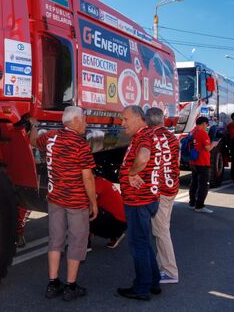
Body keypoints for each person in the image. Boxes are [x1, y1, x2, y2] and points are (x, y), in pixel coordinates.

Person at [29, 106, 98, 302]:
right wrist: (93, 202)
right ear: (74, 121)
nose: (86, 123)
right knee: (76, 242)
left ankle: (52, 283)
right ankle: (70, 286)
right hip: (76, 201)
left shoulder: (50, 137)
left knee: (55, 240)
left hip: (55, 198)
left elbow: (33, 141)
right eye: (84, 120)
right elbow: (88, 178)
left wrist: (34, 125)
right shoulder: (80, 144)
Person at [115, 106, 161, 301]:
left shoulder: (143, 136)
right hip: (145, 198)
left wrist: (131, 173)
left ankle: (142, 288)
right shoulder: (146, 135)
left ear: (138, 118)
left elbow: (143, 157)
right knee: (144, 241)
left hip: (138, 200)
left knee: (138, 244)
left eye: (125, 119)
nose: (122, 123)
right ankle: (153, 281)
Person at [146, 107, 180, 284]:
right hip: (171, 188)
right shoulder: (172, 137)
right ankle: (163, 265)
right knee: (163, 229)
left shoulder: (150, 138)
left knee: (161, 231)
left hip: (159, 191)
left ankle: (170, 271)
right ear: (162, 120)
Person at [189, 117, 218, 213]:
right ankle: (199, 206)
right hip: (203, 162)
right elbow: (208, 148)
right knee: (204, 185)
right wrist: (214, 144)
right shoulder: (203, 133)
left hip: (194, 161)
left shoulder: (192, 131)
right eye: (207, 124)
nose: (207, 126)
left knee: (194, 183)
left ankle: (192, 203)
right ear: (203, 123)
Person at [89, 177, 127, 249]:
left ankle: (85, 244)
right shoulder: (101, 181)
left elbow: (90, 203)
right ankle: (115, 236)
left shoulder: (96, 183)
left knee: (84, 211)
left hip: (117, 222)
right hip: (121, 221)